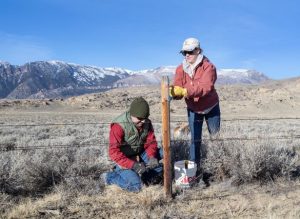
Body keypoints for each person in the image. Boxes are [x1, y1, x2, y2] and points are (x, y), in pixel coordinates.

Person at [170, 37, 221, 170]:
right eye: (184, 52)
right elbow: (178, 86)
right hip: (193, 109)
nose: (187, 55)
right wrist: (175, 92)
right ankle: (194, 170)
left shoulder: (209, 67)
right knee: (195, 140)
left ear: (198, 50)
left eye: (190, 51)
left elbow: (205, 87)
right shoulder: (180, 69)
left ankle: (218, 167)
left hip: (211, 107)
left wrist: (185, 91)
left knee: (215, 138)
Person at [101, 97, 163, 192]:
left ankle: (145, 178)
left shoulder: (146, 123)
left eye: (145, 118)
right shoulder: (119, 126)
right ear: (131, 114)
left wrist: (151, 157)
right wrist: (133, 165)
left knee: (163, 155)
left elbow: (151, 142)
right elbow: (113, 152)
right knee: (135, 187)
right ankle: (109, 177)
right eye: (140, 118)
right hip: (123, 160)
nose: (143, 121)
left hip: (140, 154)